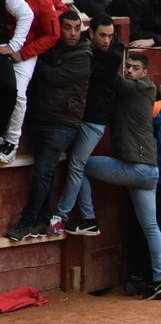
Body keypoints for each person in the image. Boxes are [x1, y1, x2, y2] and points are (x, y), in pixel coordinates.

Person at [88, 55, 161, 300]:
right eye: (128, 66)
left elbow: (112, 77)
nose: (129, 71)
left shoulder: (143, 87)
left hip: (134, 169)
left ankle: (85, 216)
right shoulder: (133, 91)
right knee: (151, 227)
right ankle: (159, 281)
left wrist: (102, 51)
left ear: (146, 73)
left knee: (80, 165)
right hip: (149, 173)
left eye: (135, 68)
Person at [5, 12, 89, 242]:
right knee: (47, 172)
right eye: (68, 28)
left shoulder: (84, 54)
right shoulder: (52, 48)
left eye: (76, 28)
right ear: (58, 29)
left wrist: (35, 59)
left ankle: (26, 222)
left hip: (63, 123)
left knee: (42, 172)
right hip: (41, 118)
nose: (73, 33)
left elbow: (56, 77)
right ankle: (43, 218)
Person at [48, 15, 124, 236]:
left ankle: (62, 215)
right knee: (73, 165)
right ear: (91, 33)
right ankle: (88, 218)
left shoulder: (112, 56)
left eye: (110, 36)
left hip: (94, 120)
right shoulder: (84, 42)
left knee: (75, 165)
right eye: (102, 35)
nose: (107, 41)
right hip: (75, 116)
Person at [0, 0, 59, 166]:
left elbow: (53, 34)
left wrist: (22, 52)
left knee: (19, 94)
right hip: (2, 45)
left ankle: (11, 142)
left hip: (25, 50)